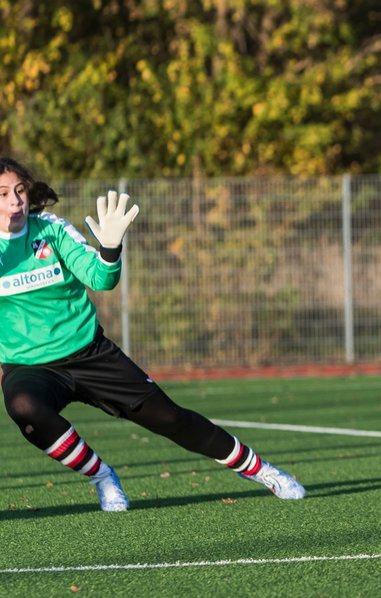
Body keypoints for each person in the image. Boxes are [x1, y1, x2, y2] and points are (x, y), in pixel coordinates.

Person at [0, 157, 305, 511]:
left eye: (19, 191)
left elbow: (101, 279)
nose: (15, 201)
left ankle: (258, 468)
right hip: (30, 367)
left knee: (170, 418)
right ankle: (101, 476)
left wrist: (110, 251)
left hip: (90, 353)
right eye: (3, 194)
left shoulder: (50, 229)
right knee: (23, 406)